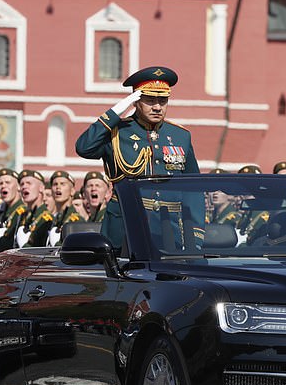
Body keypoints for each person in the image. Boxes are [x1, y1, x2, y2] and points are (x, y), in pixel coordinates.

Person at [75, 66, 199, 250]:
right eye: (149, 100)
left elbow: (193, 189)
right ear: (136, 101)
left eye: (163, 101)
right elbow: (84, 147)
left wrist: (195, 237)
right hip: (125, 228)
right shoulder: (117, 132)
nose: (157, 107)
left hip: (168, 232)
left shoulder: (180, 135)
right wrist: (116, 112)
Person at [0, 168, 27, 252]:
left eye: (8, 182)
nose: (3, 186)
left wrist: (0, 240)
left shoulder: (22, 212)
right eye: (0, 183)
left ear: (18, 186)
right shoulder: (1, 212)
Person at [15, 170, 53, 248]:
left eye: (29, 183)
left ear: (41, 188)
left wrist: (24, 246)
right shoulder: (22, 216)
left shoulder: (46, 219)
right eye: (22, 184)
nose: (24, 187)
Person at [46, 171, 84, 246]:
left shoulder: (77, 222)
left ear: (72, 191)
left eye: (62, 184)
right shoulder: (52, 220)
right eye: (55, 184)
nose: (58, 187)